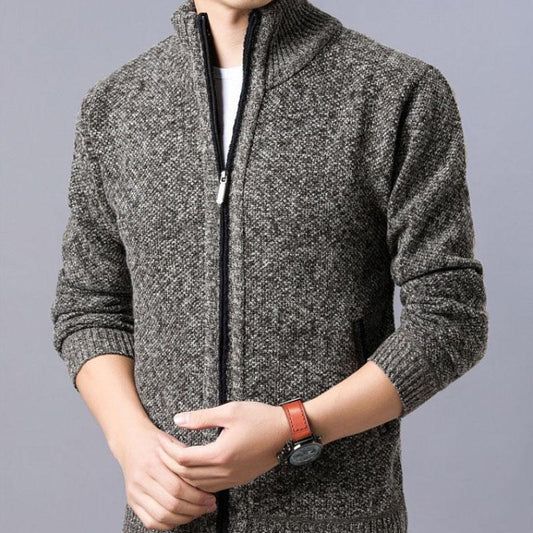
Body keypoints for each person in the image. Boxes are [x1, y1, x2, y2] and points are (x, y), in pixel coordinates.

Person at [50, 0, 489, 531]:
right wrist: (132, 442)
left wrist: (295, 427)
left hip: (338, 515)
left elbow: (449, 319)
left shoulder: (395, 92)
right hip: (169, 520)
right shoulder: (116, 107)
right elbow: (90, 308)